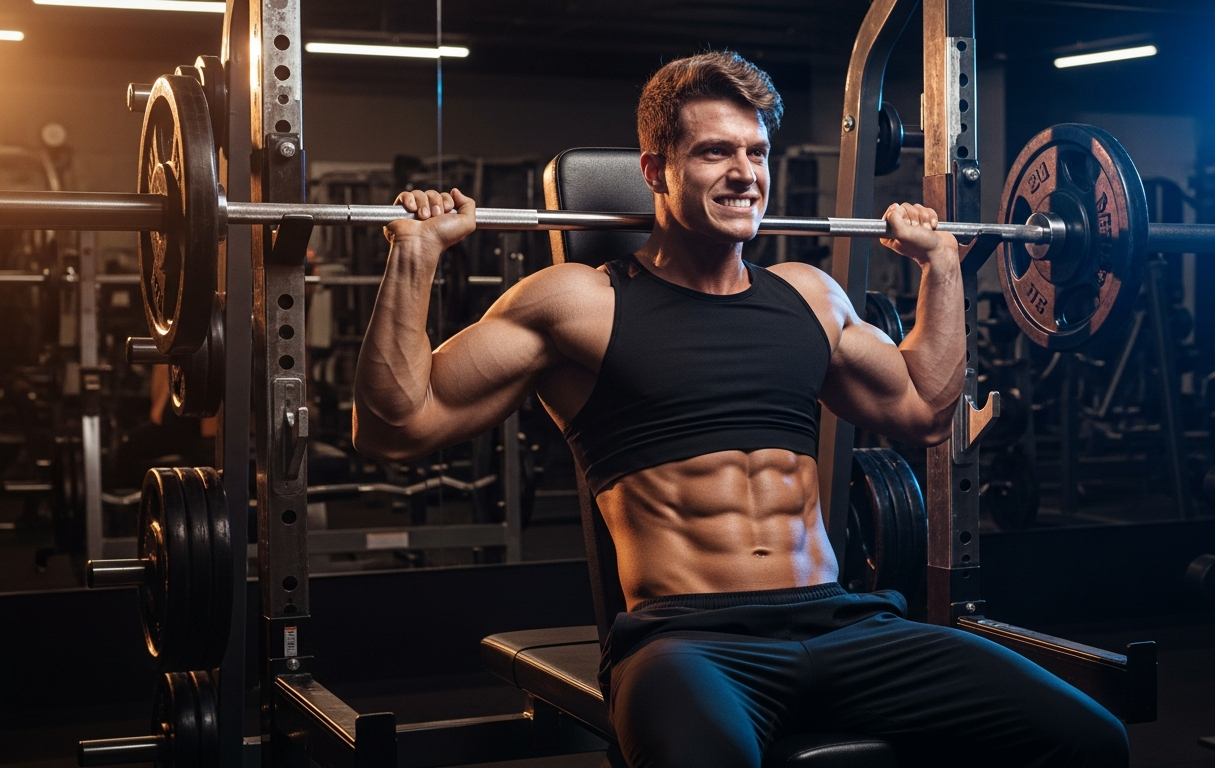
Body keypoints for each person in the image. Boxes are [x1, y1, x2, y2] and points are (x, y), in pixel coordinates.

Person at [354, 51, 1127, 768]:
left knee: (1090, 738)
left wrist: (943, 269)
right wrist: (414, 259)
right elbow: (396, 427)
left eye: (755, 153)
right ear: (656, 170)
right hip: (689, 642)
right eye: (714, 153)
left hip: (842, 624)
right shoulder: (582, 304)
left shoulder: (808, 296)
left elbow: (925, 408)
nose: (744, 174)